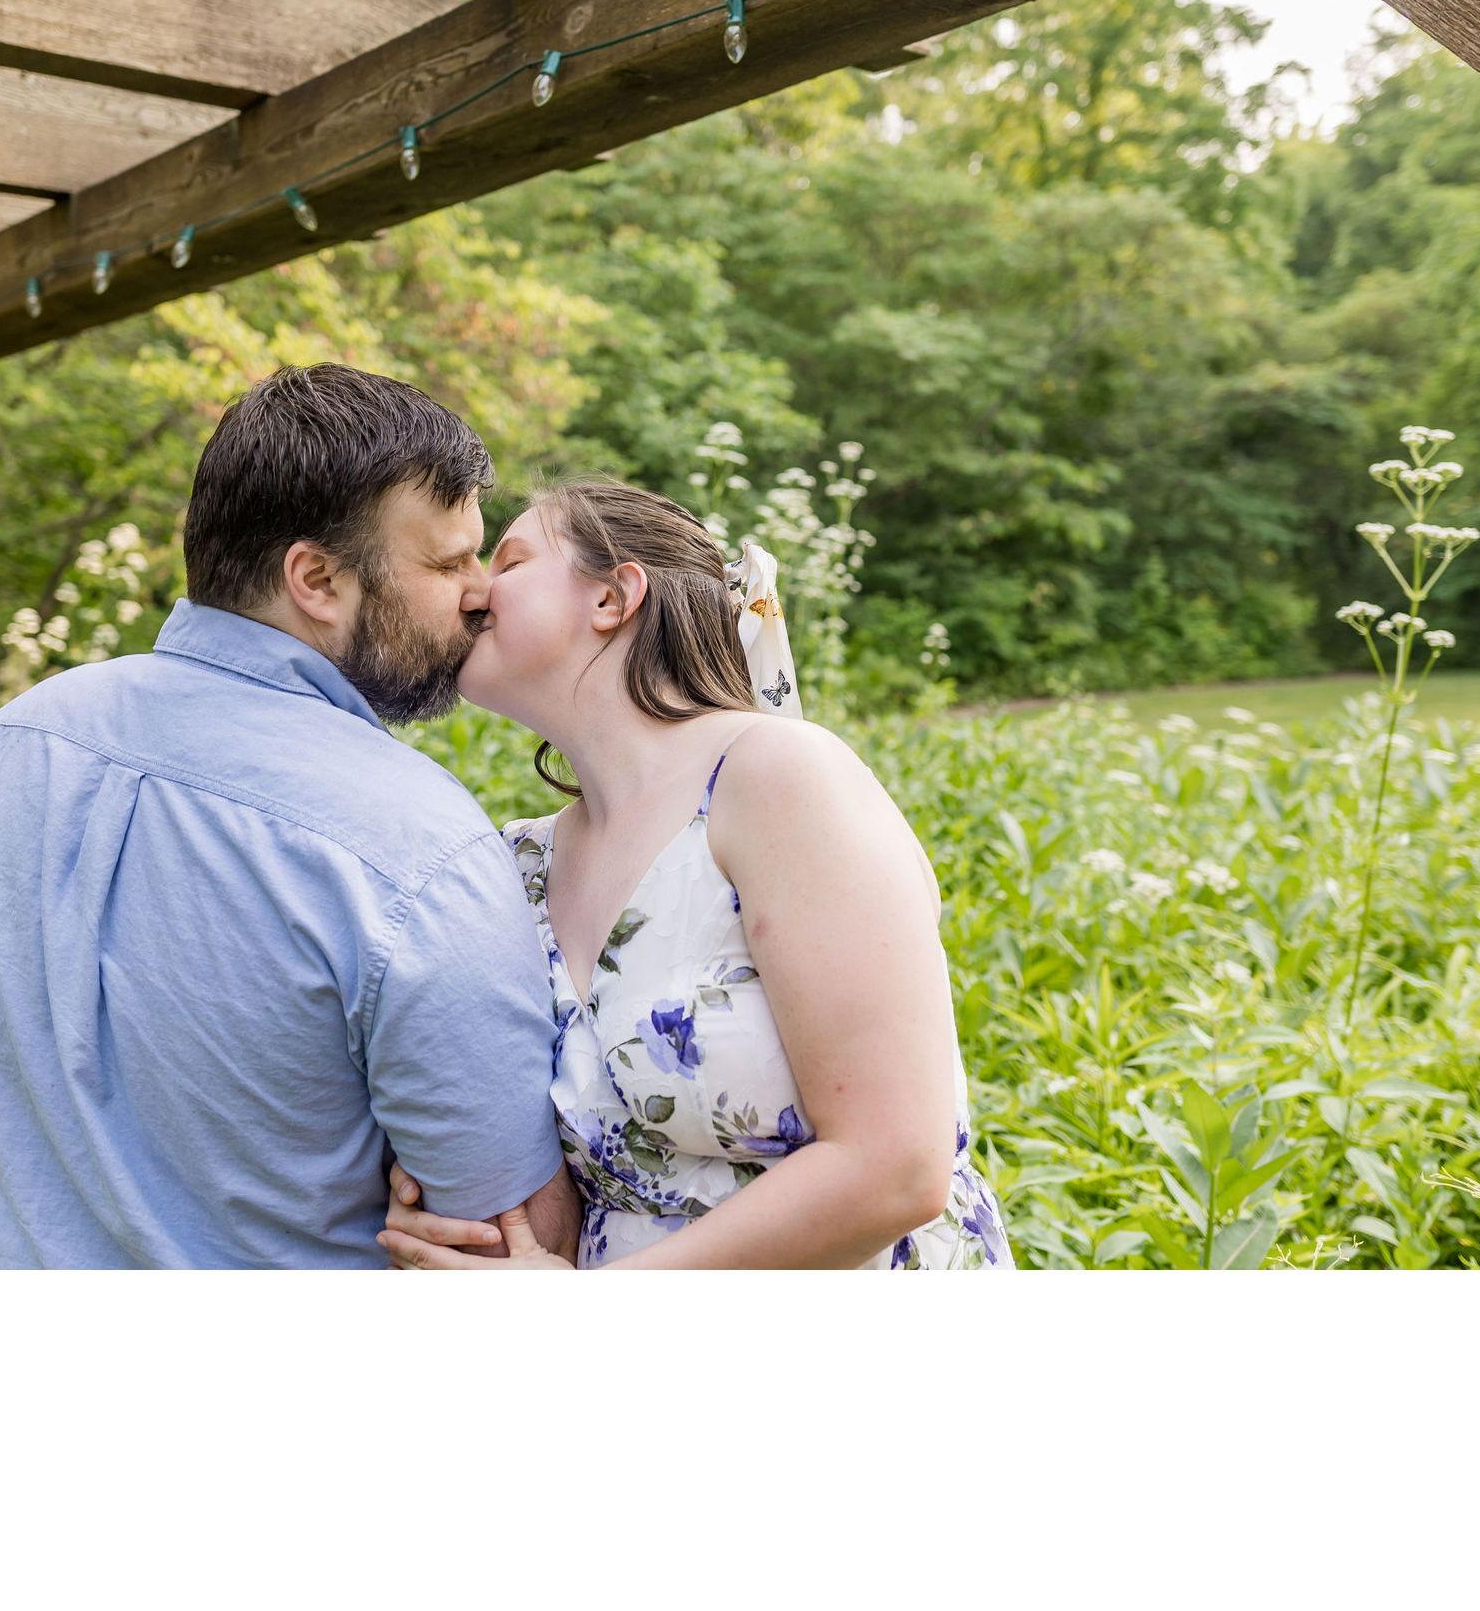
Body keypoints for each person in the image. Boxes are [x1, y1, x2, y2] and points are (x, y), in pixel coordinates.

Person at [0, 364, 574, 1268]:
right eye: (449, 561)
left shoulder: (8, 744)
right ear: (317, 579)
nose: (479, 590)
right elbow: (517, 1239)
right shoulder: (415, 848)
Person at [377, 479, 1011, 1271]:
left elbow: (895, 1169)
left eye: (508, 560)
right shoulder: (518, 864)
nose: (472, 591)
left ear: (612, 596)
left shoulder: (779, 779)